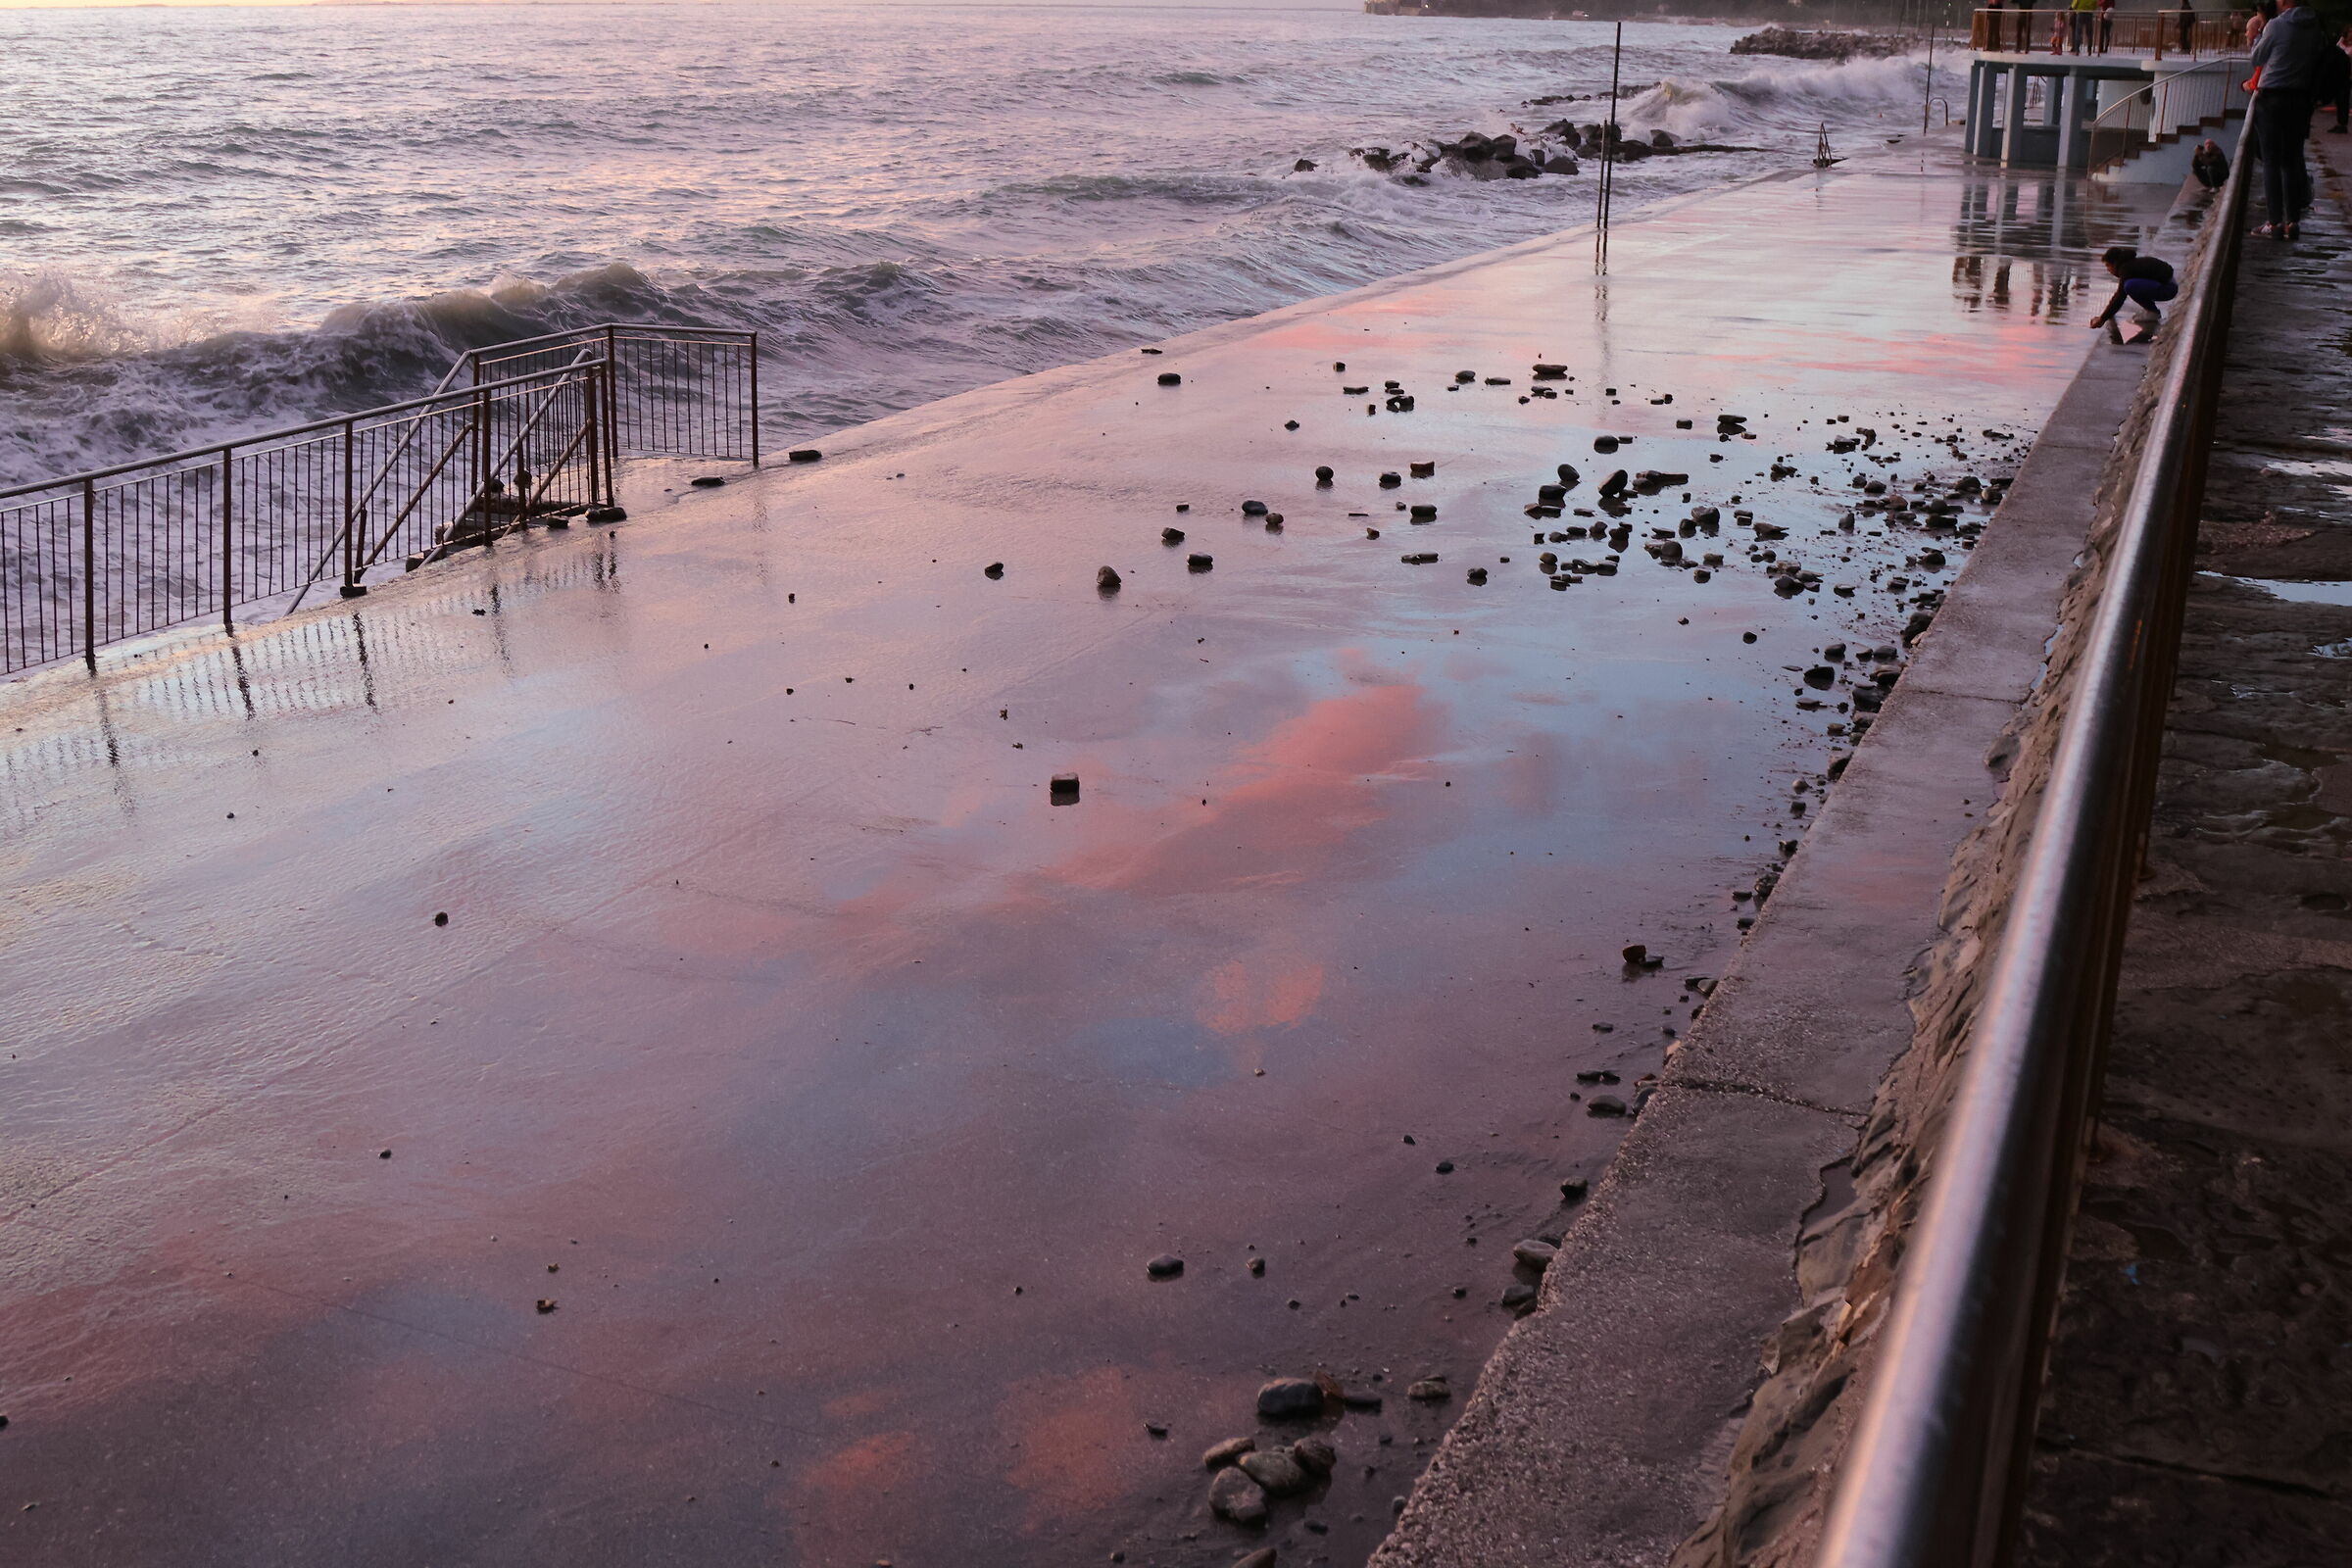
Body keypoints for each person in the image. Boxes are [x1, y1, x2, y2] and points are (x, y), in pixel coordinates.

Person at [2247, 0, 2332, 236]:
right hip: (2301, 99)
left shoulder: (2275, 25)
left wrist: (2257, 32)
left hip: (2273, 97)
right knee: (2293, 161)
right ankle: (2292, 222)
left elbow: (2256, 58)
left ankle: (2273, 223)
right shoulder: (2315, 25)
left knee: (2272, 162)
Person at [2089, 246, 2179, 343]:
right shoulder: (2130, 264)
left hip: (2168, 289)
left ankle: (2152, 312)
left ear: (2114, 263)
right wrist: (2106, 315)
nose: (2108, 270)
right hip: (2168, 285)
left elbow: (2120, 296)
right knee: (2128, 285)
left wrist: (2102, 318)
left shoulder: (2126, 268)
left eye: (2108, 266)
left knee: (2129, 286)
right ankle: (2151, 311)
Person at [2323, 27, 2352, 132]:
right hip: (2338, 74)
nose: (2350, 34)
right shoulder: (2341, 42)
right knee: (2339, 99)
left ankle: (2343, 124)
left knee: (2345, 99)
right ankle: (2339, 123)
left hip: (2348, 74)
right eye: (2349, 32)